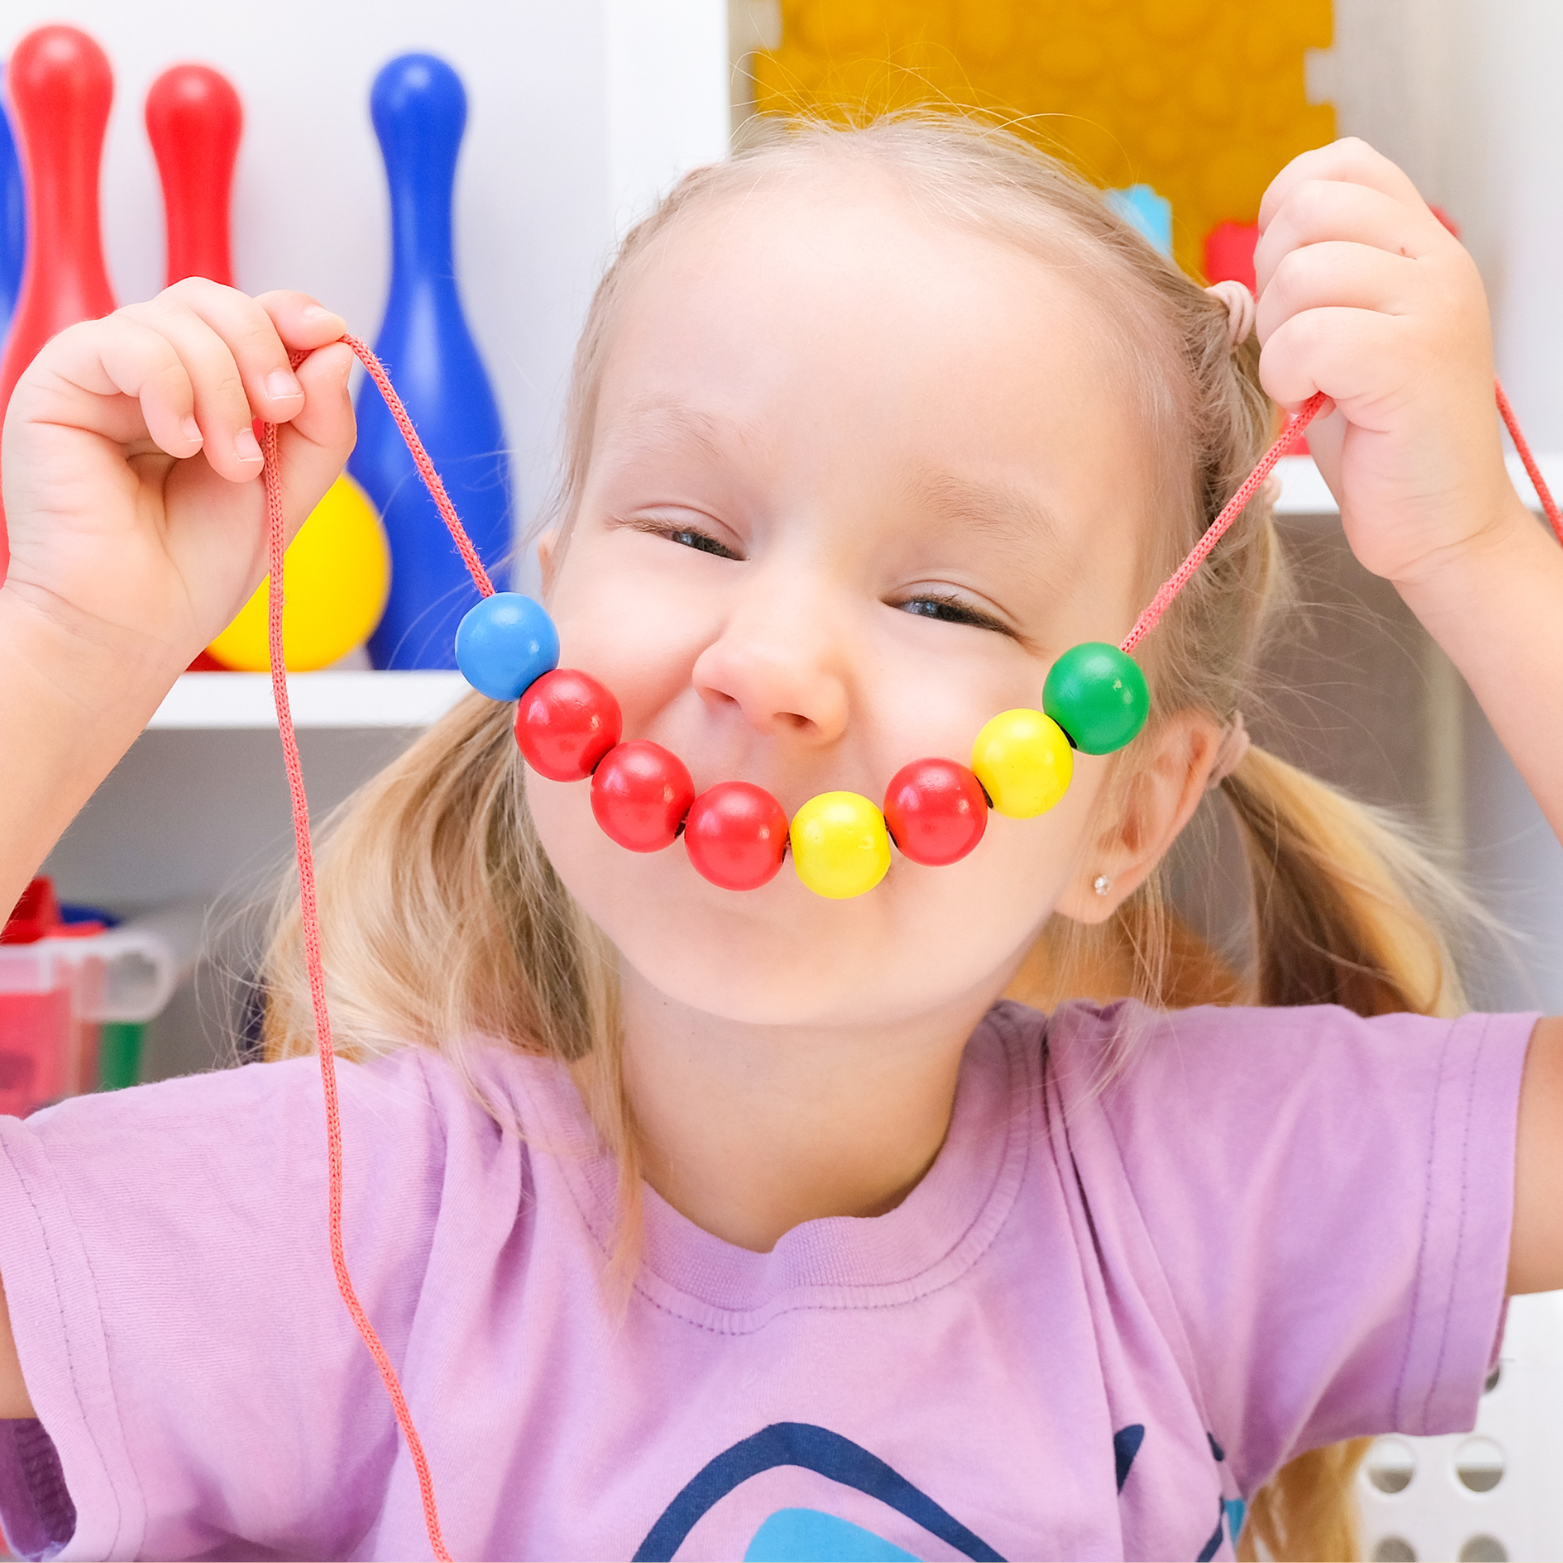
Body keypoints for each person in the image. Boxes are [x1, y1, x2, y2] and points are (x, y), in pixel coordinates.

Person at [0, 115, 1560, 1563]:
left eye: (944, 602)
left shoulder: (1193, 1193)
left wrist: (1475, 552)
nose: (767, 663)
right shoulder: (338, 1221)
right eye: (689, 533)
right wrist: (68, 643)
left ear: (1134, 808)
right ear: (535, 614)